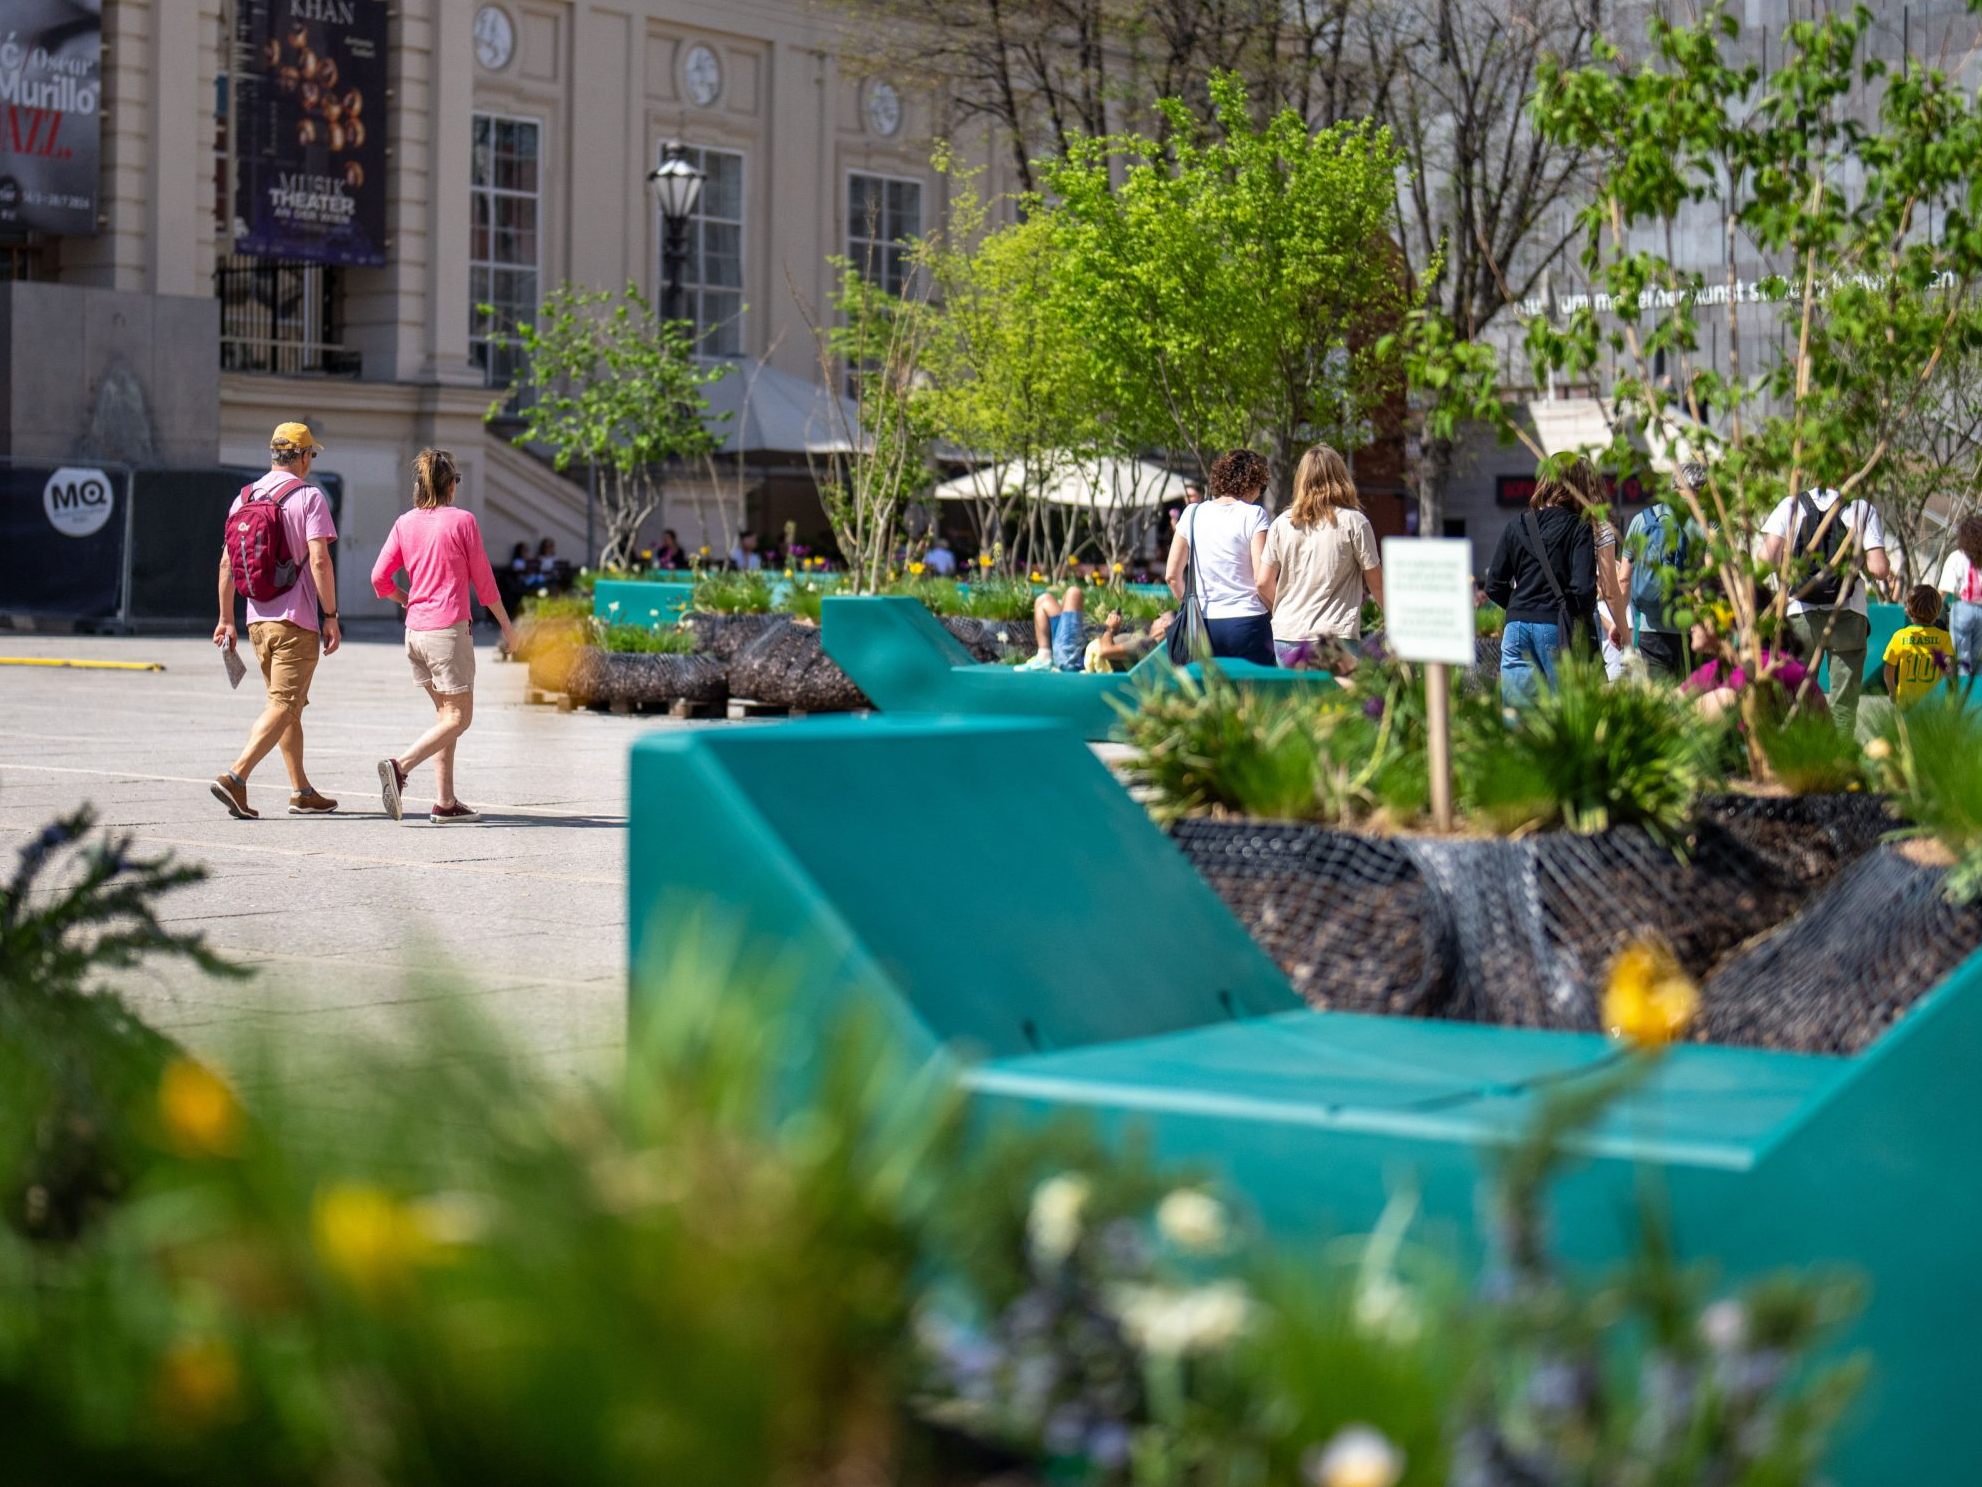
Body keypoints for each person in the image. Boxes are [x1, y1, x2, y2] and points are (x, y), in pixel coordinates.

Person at [370, 449, 519, 825]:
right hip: (447, 633)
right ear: (450, 484)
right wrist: (507, 626)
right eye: (457, 480)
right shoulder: (463, 521)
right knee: (459, 717)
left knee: (444, 716)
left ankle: (445, 802)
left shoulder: (405, 523)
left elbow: (379, 579)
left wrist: (407, 600)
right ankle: (400, 766)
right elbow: (485, 584)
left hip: (415, 633)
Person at [209, 422, 342, 820]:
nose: (310, 462)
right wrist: (331, 616)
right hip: (295, 620)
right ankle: (236, 776)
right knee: (284, 704)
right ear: (302, 457)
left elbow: (228, 563)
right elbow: (319, 559)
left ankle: (301, 790)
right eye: (311, 455)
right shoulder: (309, 497)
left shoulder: (244, 497)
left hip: (256, 620)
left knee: (285, 706)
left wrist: (225, 618)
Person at [1759, 482, 1891, 735]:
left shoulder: (1790, 504)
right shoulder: (1861, 508)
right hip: (1849, 614)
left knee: (1795, 696)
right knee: (1843, 704)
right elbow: (1879, 568)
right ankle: (1840, 764)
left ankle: (1798, 761)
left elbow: (1765, 560)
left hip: (1799, 612)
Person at [1256, 444, 1383, 670]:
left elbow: (1263, 581)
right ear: (1342, 478)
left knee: (1294, 704)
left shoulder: (1281, 524)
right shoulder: (1354, 522)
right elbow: (1377, 585)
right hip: (1334, 635)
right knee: (1338, 703)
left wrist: (1287, 610)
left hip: (1288, 634)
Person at [1483, 465, 1597, 707]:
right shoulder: (1578, 527)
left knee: (1516, 715)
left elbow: (1493, 584)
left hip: (1515, 628)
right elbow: (1584, 589)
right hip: (1554, 626)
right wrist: (1573, 614)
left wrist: (1518, 605)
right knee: (1561, 716)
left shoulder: (1516, 525)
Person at [1166, 449, 1275, 667]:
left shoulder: (1192, 513)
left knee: (1209, 696)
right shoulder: (1254, 515)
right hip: (1247, 621)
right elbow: (1261, 578)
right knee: (1254, 697)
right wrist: (1276, 610)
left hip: (1203, 624)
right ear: (1252, 482)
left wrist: (1189, 609)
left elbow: (1172, 576)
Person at [1683, 586, 1824, 726]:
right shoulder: (1719, 667)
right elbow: (1674, 699)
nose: (1691, 622)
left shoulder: (1764, 666)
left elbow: (1717, 704)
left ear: (1725, 616)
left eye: (1699, 612)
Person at [1560, 455, 1631, 679]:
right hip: (1582, 621)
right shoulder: (1599, 527)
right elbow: (1610, 588)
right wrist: (1625, 634)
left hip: (1544, 618)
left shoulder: (1550, 523)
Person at [1883, 584, 1956, 708]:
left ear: (1908, 610)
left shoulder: (1900, 636)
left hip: (1905, 700)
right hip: (1934, 701)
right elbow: (1948, 669)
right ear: (1938, 611)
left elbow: (1889, 669)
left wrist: (1892, 691)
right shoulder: (1944, 638)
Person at [1937, 513, 1982, 680]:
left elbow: (1944, 590)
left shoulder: (1957, 557)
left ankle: (1961, 697)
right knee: (1978, 658)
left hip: (1962, 608)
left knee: (1962, 657)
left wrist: (1930, 611)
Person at [1017, 585, 1089, 671]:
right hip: (1066, 657)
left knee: (1072, 593)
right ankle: (1044, 657)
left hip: (1066, 657)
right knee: (1044, 600)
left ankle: (1051, 658)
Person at [1084, 610, 1174, 672]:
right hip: (1087, 657)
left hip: (1082, 659)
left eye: (1159, 617)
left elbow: (1105, 651)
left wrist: (1109, 628)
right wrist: (1115, 629)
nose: (1154, 619)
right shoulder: (1147, 640)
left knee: (1074, 594)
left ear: (1165, 624)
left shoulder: (1147, 644)